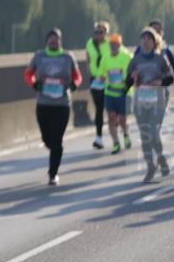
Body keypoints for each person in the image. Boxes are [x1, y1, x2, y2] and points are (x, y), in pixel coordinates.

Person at [24, 28, 82, 186]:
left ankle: (53, 173)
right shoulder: (39, 56)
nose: (53, 41)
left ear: (60, 41)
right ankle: (54, 149)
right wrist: (34, 83)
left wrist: (74, 84)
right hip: (43, 103)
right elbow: (28, 73)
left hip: (62, 104)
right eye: (51, 38)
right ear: (47, 41)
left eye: (56, 39)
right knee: (46, 139)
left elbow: (77, 76)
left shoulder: (67, 57)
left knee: (57, 141)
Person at [127, 27, 174, 182]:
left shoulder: (160, 59)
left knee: (153, 133)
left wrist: (159, 82)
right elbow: (126, 83)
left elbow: (171, 78)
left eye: (149, 38)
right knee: (144, 135)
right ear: (140, 42)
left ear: (154, 42)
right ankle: (150, 166)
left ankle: (160, 157)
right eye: (143, 38)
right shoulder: (135, 60)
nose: (146, 41)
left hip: (157, 101)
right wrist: (131, 79)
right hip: (140, 102)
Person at [97, 35, 133, 154]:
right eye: (111, 44)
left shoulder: (126, 56)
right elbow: (101, 75)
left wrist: (127, 80)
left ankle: (126, 134)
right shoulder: (105, 58)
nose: (113, 46)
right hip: (110, 92)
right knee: (111, 117)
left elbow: (134, 71)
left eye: (116, 44)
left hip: (124, 92)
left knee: (122, 119)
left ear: (120, 45)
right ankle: (116, 143)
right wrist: (101, 79)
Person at [85, 21, 111, 149]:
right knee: (99, 109)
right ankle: (99, 138)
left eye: (101, 32)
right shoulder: (90, 44)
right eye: (96, 32)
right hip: (95, 81)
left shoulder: (111, 44)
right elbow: (88, 61)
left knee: (111, 109)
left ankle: (116, 132)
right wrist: (93, 75)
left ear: (106, 33)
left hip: (109, 80)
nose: (98, 35)